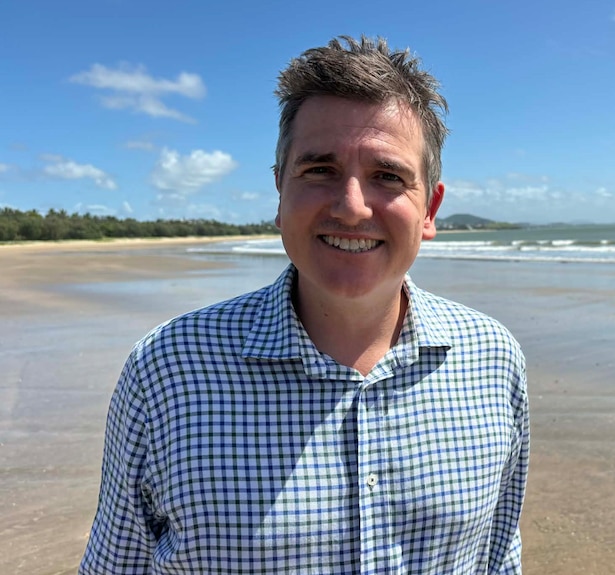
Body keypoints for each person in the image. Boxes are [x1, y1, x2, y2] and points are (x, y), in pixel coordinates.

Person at [79, 35, 529, 574]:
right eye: (320, 170)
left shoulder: (492, 359)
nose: (351, 206)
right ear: (279, 192)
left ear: (429, 208)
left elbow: (499, 560)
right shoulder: (167, 368)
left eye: (388, 176)